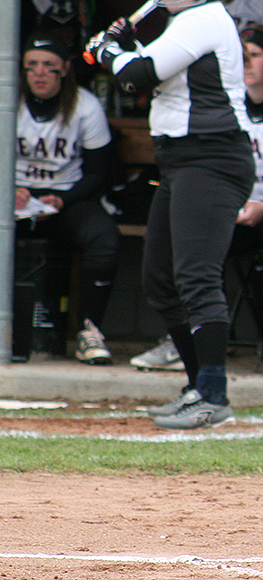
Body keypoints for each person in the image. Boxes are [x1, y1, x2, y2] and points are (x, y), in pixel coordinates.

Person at [89, 0, 255, 429]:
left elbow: (136, 76)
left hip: (212, 157)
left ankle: (214, 397)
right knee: (160, 279)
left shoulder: (202, 18)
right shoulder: (184, 22)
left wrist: (109, 50)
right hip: (181, 160)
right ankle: (199, 384)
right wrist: (122, 47)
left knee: (196, 275)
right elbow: (143, 64)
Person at [131, 24, 263, 378]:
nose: (246, 63)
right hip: (232, 205)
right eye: (241, 55)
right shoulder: (227, 98)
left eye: (255, 55)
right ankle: (185, 339)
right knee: (195, 256)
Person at [15, 32, 119, 365]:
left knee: (104, 237)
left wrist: (62, 199)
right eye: (32, 66)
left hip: (64, 200)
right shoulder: (8, 100)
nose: (39, 74)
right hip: (12, 198)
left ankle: (89, 332)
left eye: (49, 66)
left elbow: (99, 174)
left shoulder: (85, 105)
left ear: (65, 70)